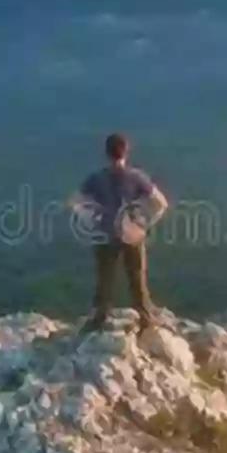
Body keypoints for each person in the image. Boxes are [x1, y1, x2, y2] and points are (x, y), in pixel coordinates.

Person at [69, 133, 168, 330]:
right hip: (132, 233)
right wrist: (145, 224)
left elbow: (73, 202)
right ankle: (146, 318)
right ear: (126, 152)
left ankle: (100, 317)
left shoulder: (96, 179)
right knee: (137, 278)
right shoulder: (136, 177)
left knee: (104, 278)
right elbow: (161, 203)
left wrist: (91, 220)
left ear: (106, 153)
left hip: (105, 233)